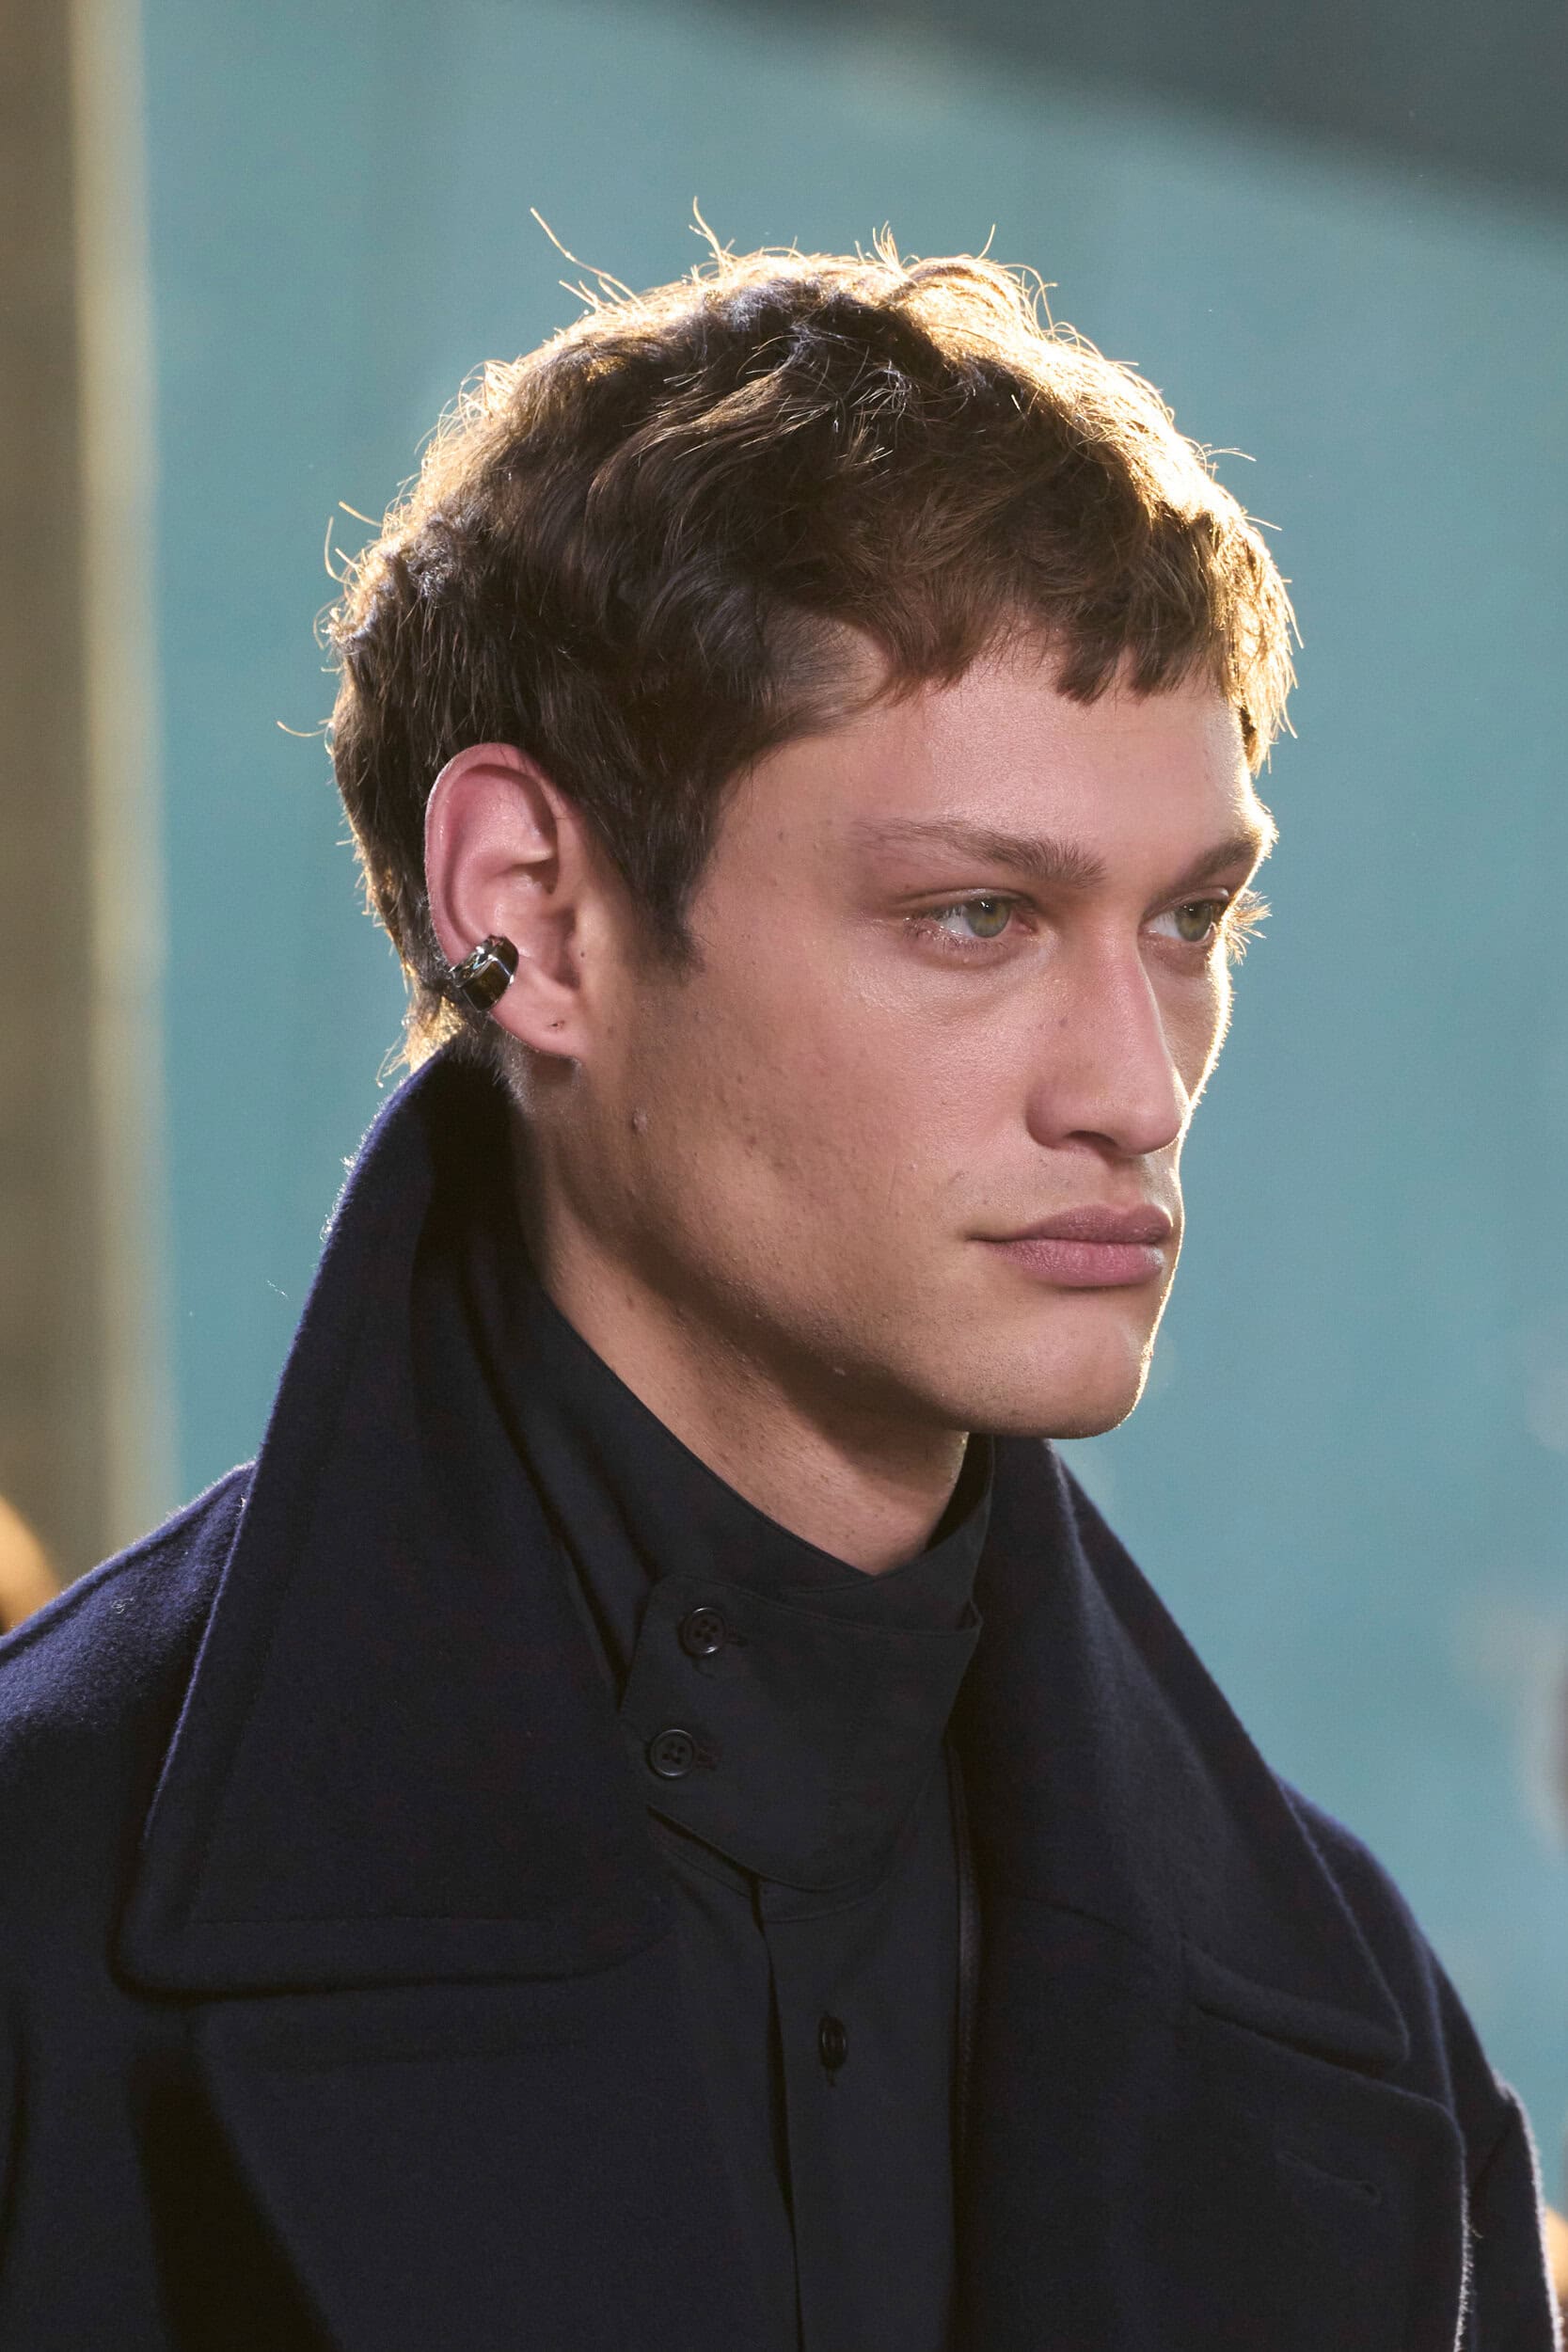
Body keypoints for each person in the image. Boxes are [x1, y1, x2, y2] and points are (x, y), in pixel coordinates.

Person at [0, 245, 1555, 2351]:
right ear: (535, 915)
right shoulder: (42, 1909)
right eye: (977, 914)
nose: (1133, 1089)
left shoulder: (1362, 2040)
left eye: (1191, 923)